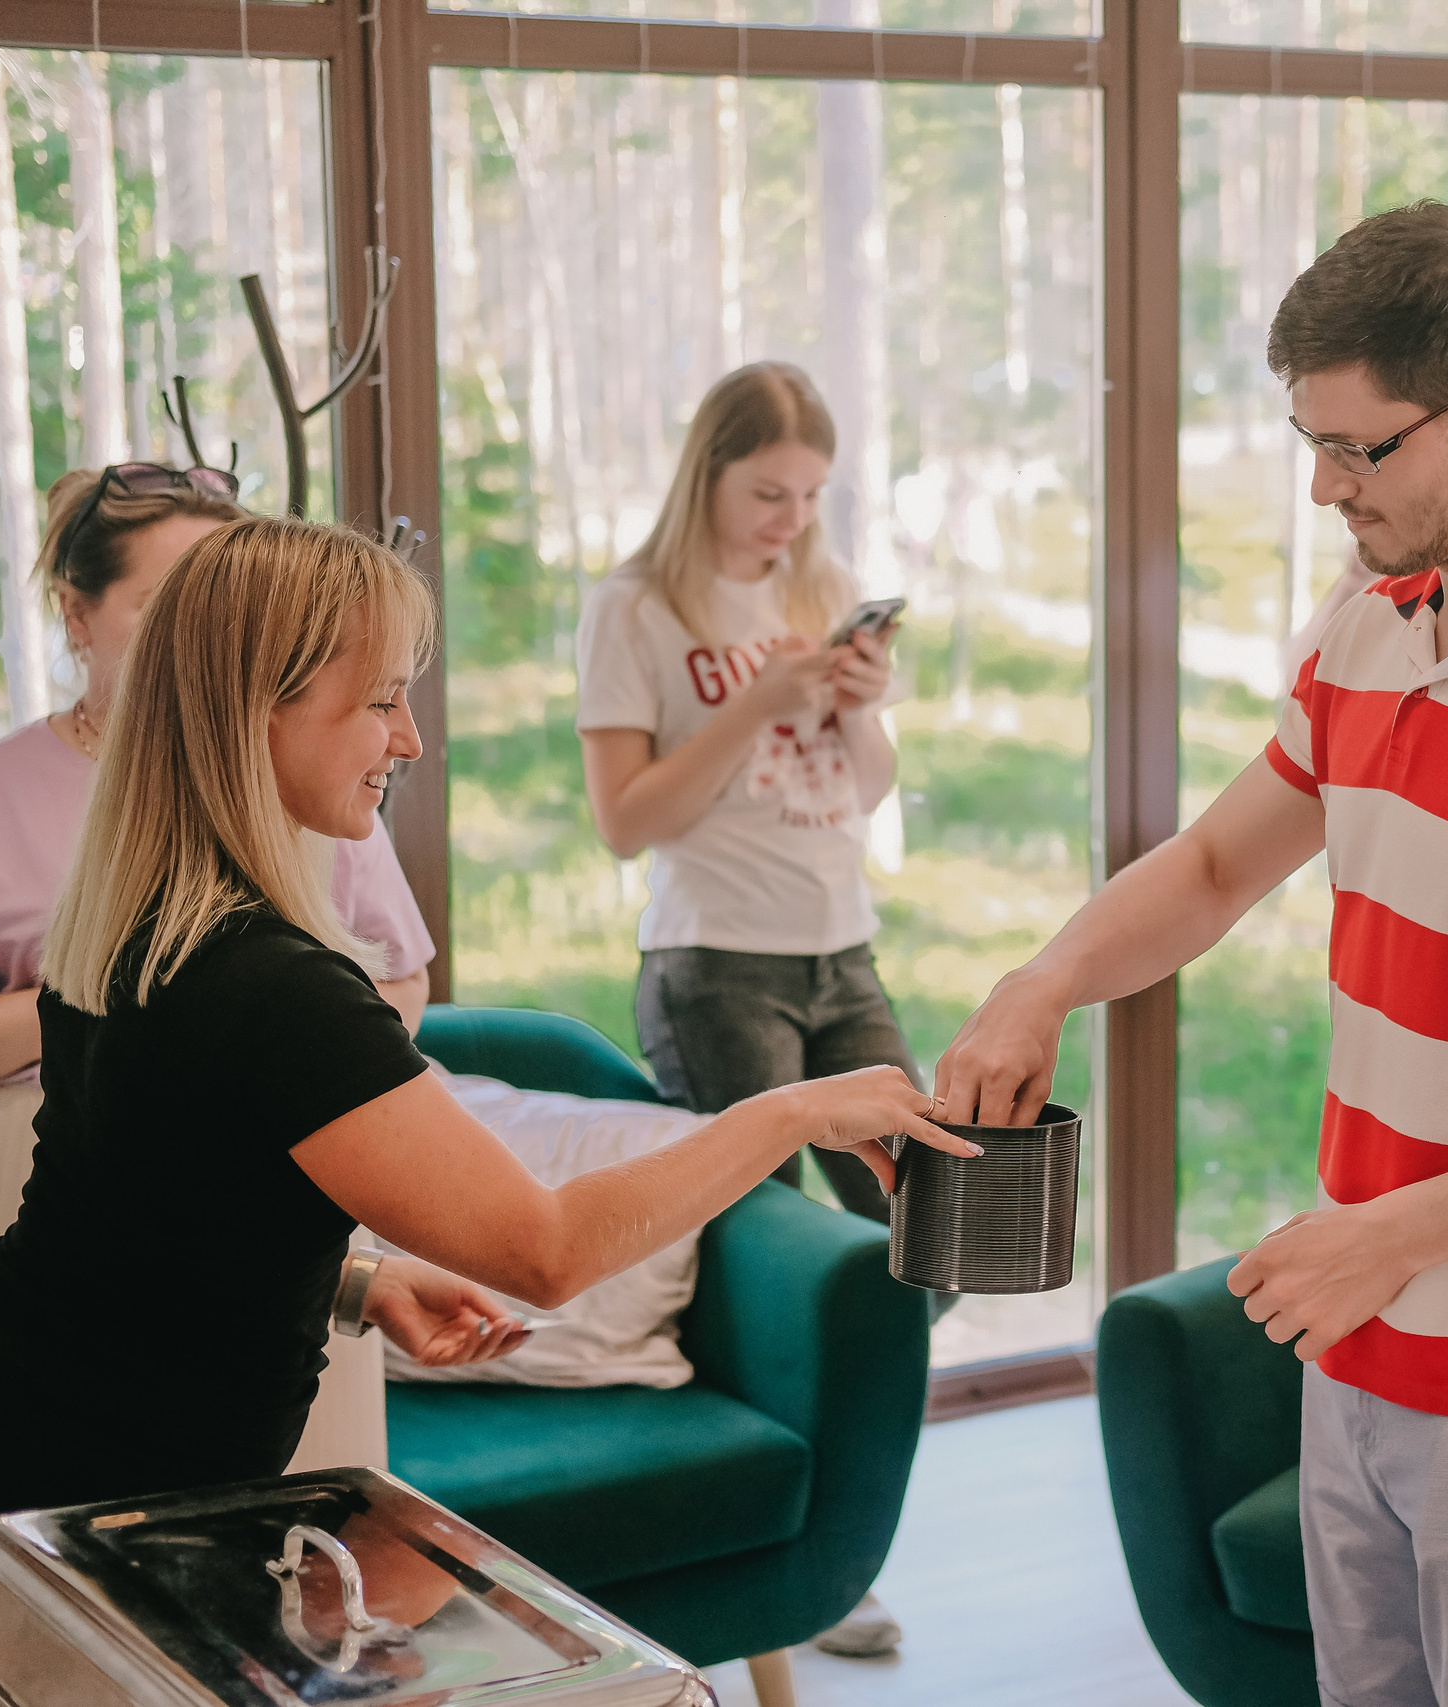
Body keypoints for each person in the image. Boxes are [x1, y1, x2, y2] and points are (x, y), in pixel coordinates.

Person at [939, 202, 1448, 1707]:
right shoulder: (1366, 627)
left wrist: (1391, 1237)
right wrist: (1041, 977)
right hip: (1363, 1333)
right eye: (1309, 442)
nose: (1326, 486)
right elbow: (1209, 865)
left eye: (1359, 448)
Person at [0, 516, 969, 1583]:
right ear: (265, 712)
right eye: (383, 701)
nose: (408, 739)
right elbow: (545, 1251)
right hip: (45, 1497)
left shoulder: (139, 916)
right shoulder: (274, 985)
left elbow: (152, 1208)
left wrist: (357, 1279)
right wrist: (790, 1113)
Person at [0, 462, 469, 1474]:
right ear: (78, 613)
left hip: (279, 1192)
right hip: (33, 1178)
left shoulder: (313, 775)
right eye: (170, 604)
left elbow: (398, 982)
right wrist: (135, 1004)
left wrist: (294, 1059)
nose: (212, 633)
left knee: (291, 1549)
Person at [576, 364, 916, 1658]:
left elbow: (865, 786)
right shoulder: (637, 607)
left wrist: (857, 703)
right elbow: (627, 820)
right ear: (707, 472)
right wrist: (752, 704)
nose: (789, 517)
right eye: (768, 490)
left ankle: (843, 1517)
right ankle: (793, 1552)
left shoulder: (818, 591)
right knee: (752, 1248)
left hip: (843, 949)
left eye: (812, 494)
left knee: (915, 1223)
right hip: (717, 959)